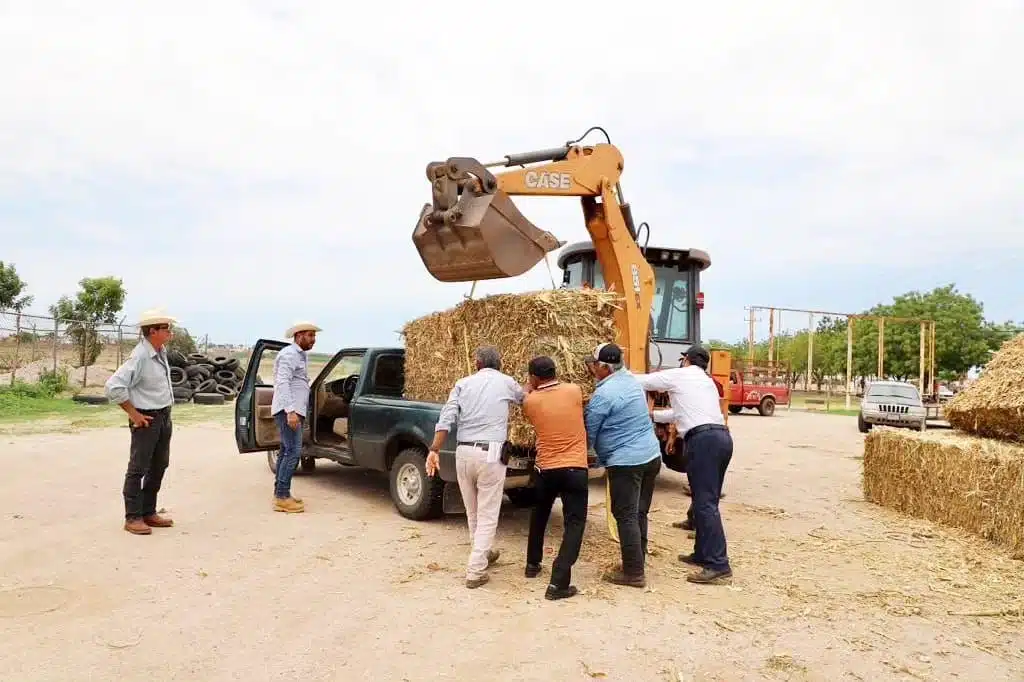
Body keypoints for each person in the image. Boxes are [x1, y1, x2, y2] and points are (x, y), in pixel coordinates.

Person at [633, 344, 734, 584]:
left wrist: (620, 373)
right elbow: (680, 414)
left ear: (686, 359)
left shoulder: (680, 375)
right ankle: (702, 554)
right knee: (703, 498)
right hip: (721, 438)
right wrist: (653, 416)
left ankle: (719, 564)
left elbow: (644, 382)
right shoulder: (705, 381)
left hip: (704, 440)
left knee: (706, 504)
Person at [426, 345, 525, 589]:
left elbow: (446, 419)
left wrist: (434, 450)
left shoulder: (462, 383)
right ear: (498, 363)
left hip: (463, 452)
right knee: (489, 513)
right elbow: (525, 400)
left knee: (472, 510)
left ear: (478, 363)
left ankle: (483, 551)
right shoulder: (506, 382)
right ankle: (476, 570)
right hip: (490, 454)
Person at [583, 342, 662, 588]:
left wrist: (586, 455)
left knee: (624, 515)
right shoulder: (631, 382)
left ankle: (633, 573)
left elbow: (590, 429)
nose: (592, 368)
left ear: (605, 367)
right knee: (639, 511)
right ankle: (639, 557)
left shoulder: (604, 395)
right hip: (651, 456)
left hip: (627, 462)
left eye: (595, 364)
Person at [520, 355, 589, 601]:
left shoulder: (530, 401)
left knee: (539, 514)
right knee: (574, 524)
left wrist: (529, 388)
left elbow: (525, 396)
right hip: (575, 469)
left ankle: (532, 564)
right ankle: (558, 582)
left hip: (546, 469)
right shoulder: (574, 390)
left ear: (534, 377)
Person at [104, 308, 178, 535]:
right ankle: (133, 516)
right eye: (167, 328)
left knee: (159, 464)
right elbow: (113, 386)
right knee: (138, 468)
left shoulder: (160, 351)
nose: (171, 332)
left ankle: (148, 511)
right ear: (153, 331)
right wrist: (133, 414)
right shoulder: (140, 356)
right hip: (147, 418)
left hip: (163, 416)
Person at [270, 321, 321, 513]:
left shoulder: (299, 355)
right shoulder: (290, 355)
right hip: (288, 411)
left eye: (314, 336)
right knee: (293, 452)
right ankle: (282, 497)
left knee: (286, 451)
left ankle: (281, 493)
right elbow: (282, 383)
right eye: (309, 335)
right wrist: (290, 411)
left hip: (292, 410)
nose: (313, 339)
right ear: (298, 336)